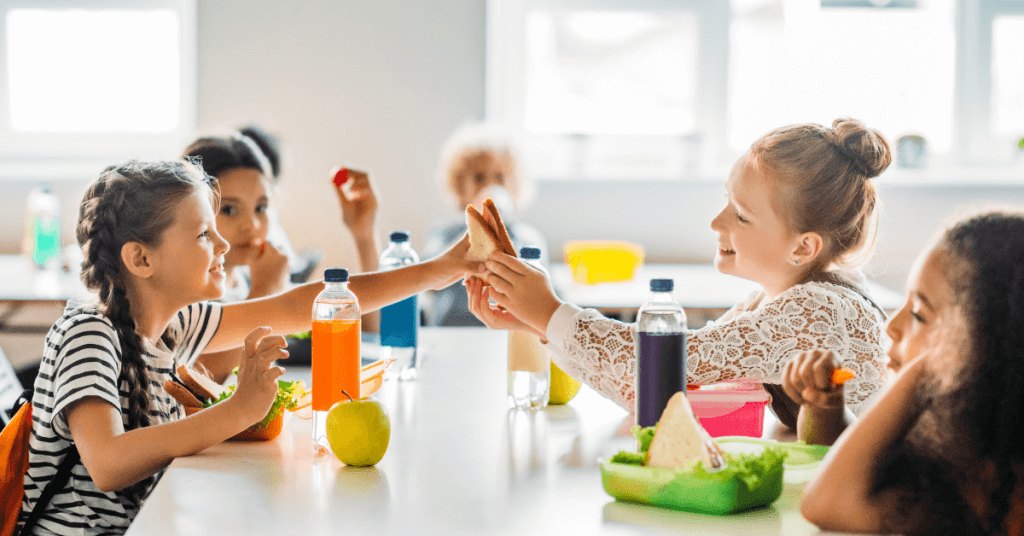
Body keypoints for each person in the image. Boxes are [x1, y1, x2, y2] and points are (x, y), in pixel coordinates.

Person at [17, 160, 473, 535]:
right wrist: (236, 411)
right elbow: (109, 462)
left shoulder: (173, 324)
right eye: (201, 234)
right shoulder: (89, 333)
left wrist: (439, 271)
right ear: (141, 259)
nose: (221, 244)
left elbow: (299, 305)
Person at [468, 118, 891, 425]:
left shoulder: (815, 312)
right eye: (726, 200)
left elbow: (668, 364)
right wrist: (538, 319)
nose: (716, 223)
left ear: (804, 247)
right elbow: (658, 392)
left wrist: (547, 311)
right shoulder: (770, 301)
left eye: (741, 216)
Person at [801, 211, 1024, 535]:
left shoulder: (986, 484)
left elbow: (826, 501)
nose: (891, 326)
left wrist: (923, 369)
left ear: (989, 351)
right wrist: (828, 411)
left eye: (919, 315)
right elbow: (865, 463)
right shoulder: (946, 441)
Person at [422, 123, 547, 326]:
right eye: (479, 178)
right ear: (459, 186)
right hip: (452, 329)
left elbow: (542, 290)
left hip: (506, 332)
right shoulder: (445, 232)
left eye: (499, 177)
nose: (490, 186)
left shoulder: (527, 237)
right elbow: (428, 278)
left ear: (515, 184)